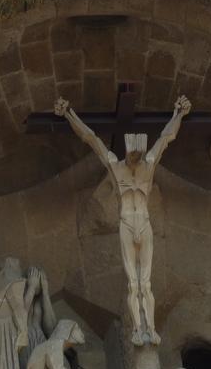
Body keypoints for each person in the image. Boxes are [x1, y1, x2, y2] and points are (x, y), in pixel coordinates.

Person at [55, 95, 191, 345]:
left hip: (145, 225)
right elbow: (91, 139)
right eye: (132, 157)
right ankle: (138, 330)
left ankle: (151, 329)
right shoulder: (115, 167)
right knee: (133, 285)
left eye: (137, 156)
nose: (134, 161)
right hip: (126, 226)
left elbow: (166, 137)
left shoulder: (149, 165)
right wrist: (69, 114)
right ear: (127, 153)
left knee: (146, 284)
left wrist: (179, 114)